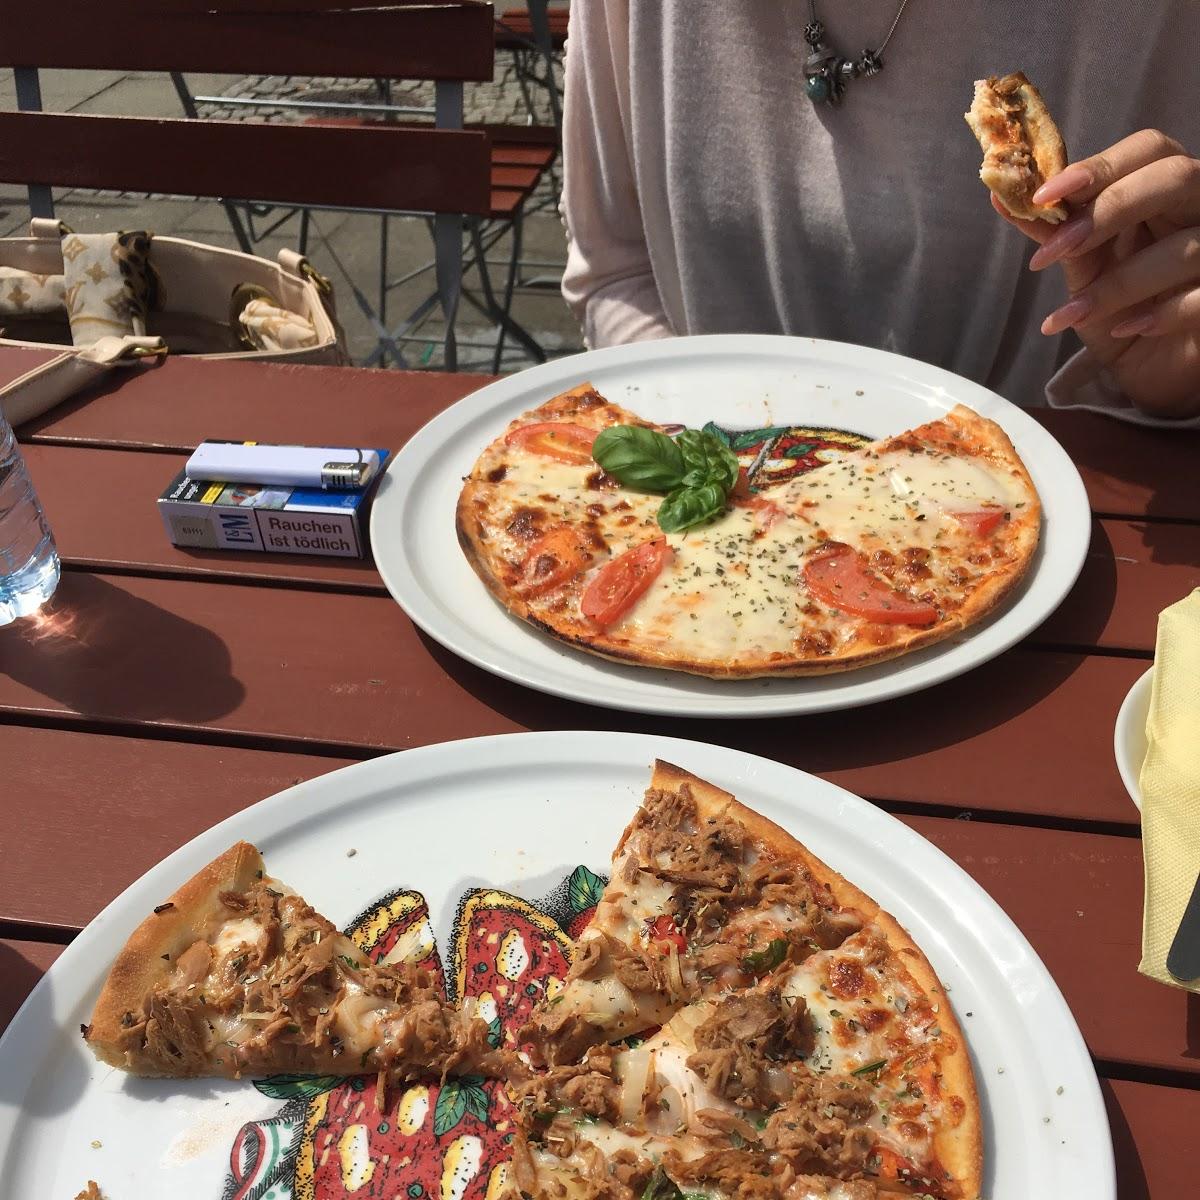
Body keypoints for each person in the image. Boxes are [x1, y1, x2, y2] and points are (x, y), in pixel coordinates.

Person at [559, 2, 1200, 423]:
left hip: (1058, 531)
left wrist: (1168, 379)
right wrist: (715, 461)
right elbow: (615, 275)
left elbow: (1167, 365)